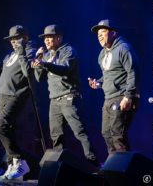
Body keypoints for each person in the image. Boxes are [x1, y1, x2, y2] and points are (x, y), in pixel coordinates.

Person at [29, 25, 101, 167]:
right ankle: (58, 165)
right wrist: (39, 62)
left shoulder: (69, 51)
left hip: (69, 96)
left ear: (58, 38)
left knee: (79, 131)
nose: (46, 41)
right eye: (45, 38)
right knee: (56, 135)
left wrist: (45, 64)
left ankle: (94, 162)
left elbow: (64, 69)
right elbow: (39, 78)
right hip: (54, 99)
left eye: (49, 38)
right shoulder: (47, 55)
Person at [0, 25, 37, 181]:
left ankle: (21, 163)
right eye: (12, 40)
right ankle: (13, 167)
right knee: (8, 130)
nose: (14, 42)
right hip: (3, 96)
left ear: (26, 38)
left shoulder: (31, 52)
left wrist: (22, 51)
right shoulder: (10, 54)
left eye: (17, 39)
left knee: (0, 126)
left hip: (17, 96)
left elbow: (28, 72)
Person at [89, 19, 140, 154]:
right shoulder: (102, 54)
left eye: (103, 32)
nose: (100, 36)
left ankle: (125, 170)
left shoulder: (123, 48)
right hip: (109, 98)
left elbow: (134, 72)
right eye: (98, 33)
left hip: (122, 96)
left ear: (113, 33)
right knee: (106, 133)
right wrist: (99, 82)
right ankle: (114, 168)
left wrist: (128, 97)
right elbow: (108, 75)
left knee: (118, 134)